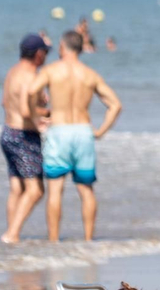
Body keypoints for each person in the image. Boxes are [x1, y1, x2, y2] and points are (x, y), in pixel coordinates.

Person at [26, 29, 121, 241]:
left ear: (62, 47)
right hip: (83, 131)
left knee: (55, 189)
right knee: (86, 190)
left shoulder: (51, 71)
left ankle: (54, 241)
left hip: (59, 131)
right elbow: (115, 105)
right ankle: (88, 240)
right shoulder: (90, 74)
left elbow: (31, 92)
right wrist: (101, 131)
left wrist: (35, 119)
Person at [0, 33, 51, 244]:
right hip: (23, 136)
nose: (46, 57)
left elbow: (5, 102)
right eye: (46, 53)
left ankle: (12, 235)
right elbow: (25, 110)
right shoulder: (31, 76)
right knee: (36, 190)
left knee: (17, 188)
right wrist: (46, 115)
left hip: (7, 133)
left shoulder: (12, 72)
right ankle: (11, 234)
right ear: (38, 54)